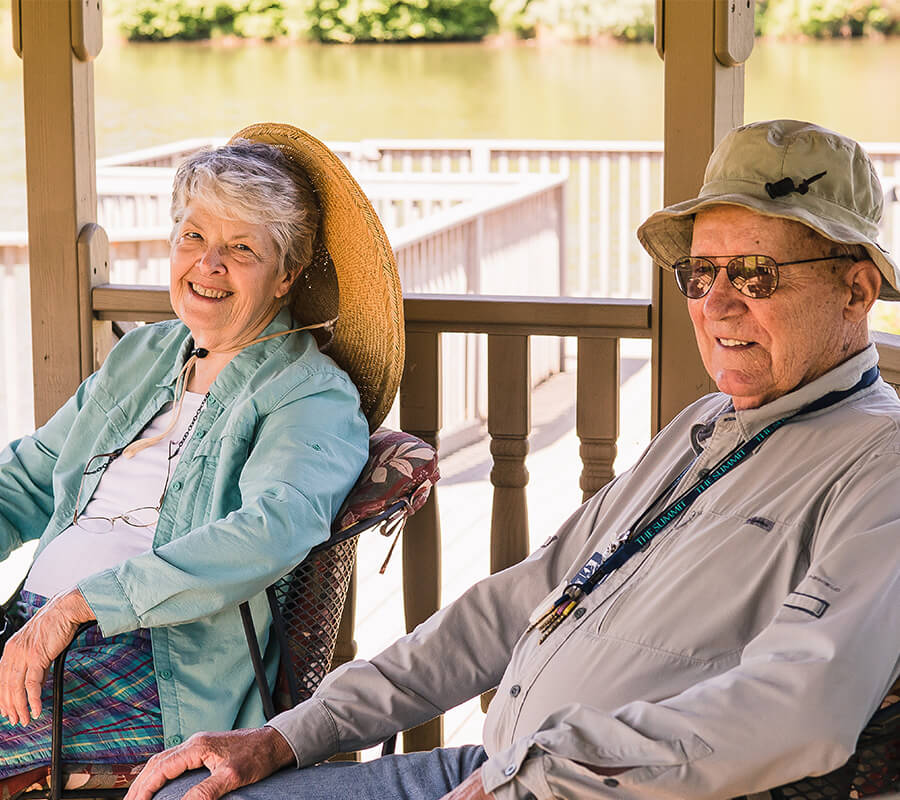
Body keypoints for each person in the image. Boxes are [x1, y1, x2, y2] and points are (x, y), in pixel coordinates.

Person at [128, 119, 900, 800]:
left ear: (856, 289)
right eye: (700, 273)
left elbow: (803, 702)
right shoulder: (704, 425)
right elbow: (518, 600)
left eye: (756, 274)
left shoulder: (879, 461)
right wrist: (292, 734)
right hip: (496, 769)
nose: (717, 303)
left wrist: (535, 784)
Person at [0, 124, 404, 782]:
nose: (207, 265)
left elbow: (274, 526)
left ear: (286, 276)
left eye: (241, 248)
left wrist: (79, 605)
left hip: (155, 670)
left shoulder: (309, 395)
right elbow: (25, 482)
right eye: (194, 237)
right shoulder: (144, 356)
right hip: (35, 636)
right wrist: (49, 617)